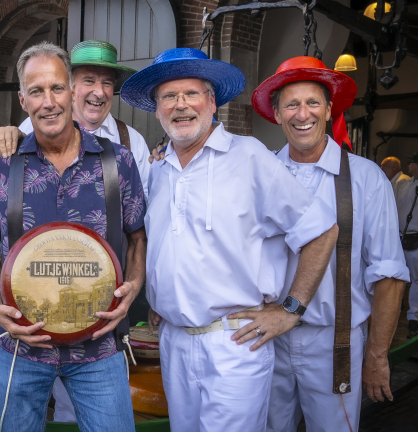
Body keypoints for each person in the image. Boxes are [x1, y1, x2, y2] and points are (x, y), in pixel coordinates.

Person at [125, 48, 339, 432]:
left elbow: (321, 230)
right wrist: (162, 294)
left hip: (235, 343)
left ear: (212, 101)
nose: (180, 105)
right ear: (157, 109)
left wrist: (291, 309)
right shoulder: (158, 170)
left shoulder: (250, 157)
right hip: (172, 341)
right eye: (168, 97)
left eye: (191, 94)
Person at [0, 41, 147, 432]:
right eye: (36, 91)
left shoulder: (117, 161)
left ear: (71, 91)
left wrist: (133, 288)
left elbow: (137, 237)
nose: (48, 101)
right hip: (21, 346)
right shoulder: (0, 163)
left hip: (98, 347)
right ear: (22, 99)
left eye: (56, 88)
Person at [251, 56, 409, 432]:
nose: (301, 113)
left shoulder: (367, 178)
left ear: (328, 110)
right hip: (267, 336)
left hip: (333, 341)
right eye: (291, 104)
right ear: (276, 113)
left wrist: (377, 356)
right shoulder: (260, 172)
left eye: (312, 102)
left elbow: (388, 274)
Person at [0, 40, 151, 197]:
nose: (100, 92)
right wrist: (7, 136)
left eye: (107, 83)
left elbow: (142, 207)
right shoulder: (31, 127)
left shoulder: (133, 142)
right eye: (89, 81)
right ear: (71, 87)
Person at [398, 152, 418, 339]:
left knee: (417, 280)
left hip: (416, 238)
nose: (410, 164)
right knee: (397, 277)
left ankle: (414, 317)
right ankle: (394, 313)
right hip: (401, 236)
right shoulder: (405, 184)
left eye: (412, 162)